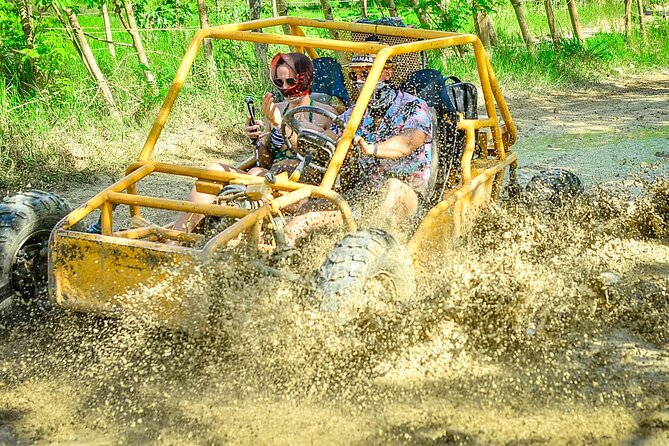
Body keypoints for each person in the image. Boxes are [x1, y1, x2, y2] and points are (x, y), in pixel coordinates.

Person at [173, 52, 336, 233]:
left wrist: (280, 124)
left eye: (290, 81)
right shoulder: (276, 109)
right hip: (270, 176)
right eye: (279, 82)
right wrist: (259, 140)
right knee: (214, 170)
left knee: (256, 173)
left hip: (301, 187)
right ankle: (177, 236)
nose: (285, 87)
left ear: (304, 79)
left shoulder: (326, 114)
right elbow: (264, 161)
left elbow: (320, 155)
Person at [284, 45, 433, 241]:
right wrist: (286, 127)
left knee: (391, 189)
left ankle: (370, 244)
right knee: (305, 208)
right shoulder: (356, 112)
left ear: (387, 73)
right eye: (355, 75)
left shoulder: (414, 106)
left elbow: (408, 143)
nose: (359, 81)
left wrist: (372, 149)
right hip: (363, 190)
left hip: (407, 191)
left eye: (366, 73)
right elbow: (327, 138)